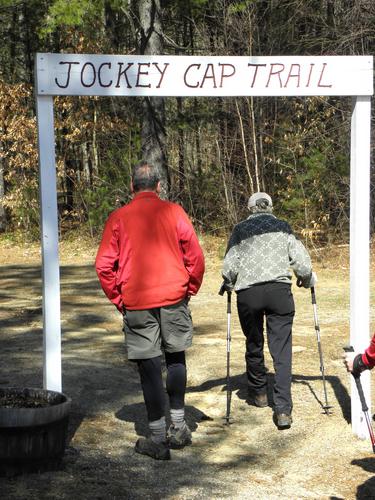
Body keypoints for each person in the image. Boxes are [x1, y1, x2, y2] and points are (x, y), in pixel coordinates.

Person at [95, 161, 205, 460]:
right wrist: (189, 289)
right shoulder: (174, 212)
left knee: (149, 367)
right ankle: (179, 427)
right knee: (176, 357)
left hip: (137, 300)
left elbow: (104, 265)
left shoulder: (118, 218)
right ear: (159, 186)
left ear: (132, 187)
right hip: (173, 296)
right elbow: (195, 256)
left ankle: (157, 436)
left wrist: (120, 298)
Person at [222, 192, 316, 430]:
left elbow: (229, 267)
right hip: (279, 293)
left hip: (249, 295)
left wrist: (230, 282)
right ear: (270, 207)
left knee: (254, 342)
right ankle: (283, 410)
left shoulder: (240, 229)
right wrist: (305, 278)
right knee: (281, 351)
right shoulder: (283, 227)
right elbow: (303, 264)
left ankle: (259, 394)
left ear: (250, 208)